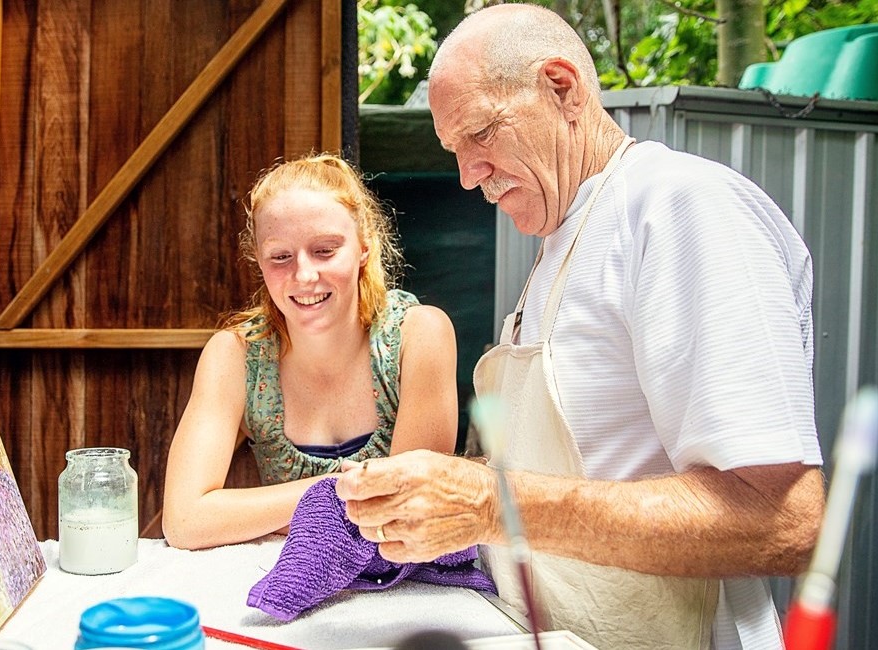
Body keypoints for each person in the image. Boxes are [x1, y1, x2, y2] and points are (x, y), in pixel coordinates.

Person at [334, 5, 825, 650]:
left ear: (562, 89)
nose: (466, 175)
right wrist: (440, 499)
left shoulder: (680, 209)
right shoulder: (562, 237)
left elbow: (783, 520)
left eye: (481, 134)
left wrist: (488, 502)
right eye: (455, 151)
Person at [163, 153, 458, 550]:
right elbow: (184, 521)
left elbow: (409, 512)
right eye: (281, 257)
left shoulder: (418, 335)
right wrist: (346, 487)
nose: (303, 276)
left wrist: (256, 514)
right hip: (290, 586)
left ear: (363, 246)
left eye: (324, 250)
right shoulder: (235, 355)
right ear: (259, 261)